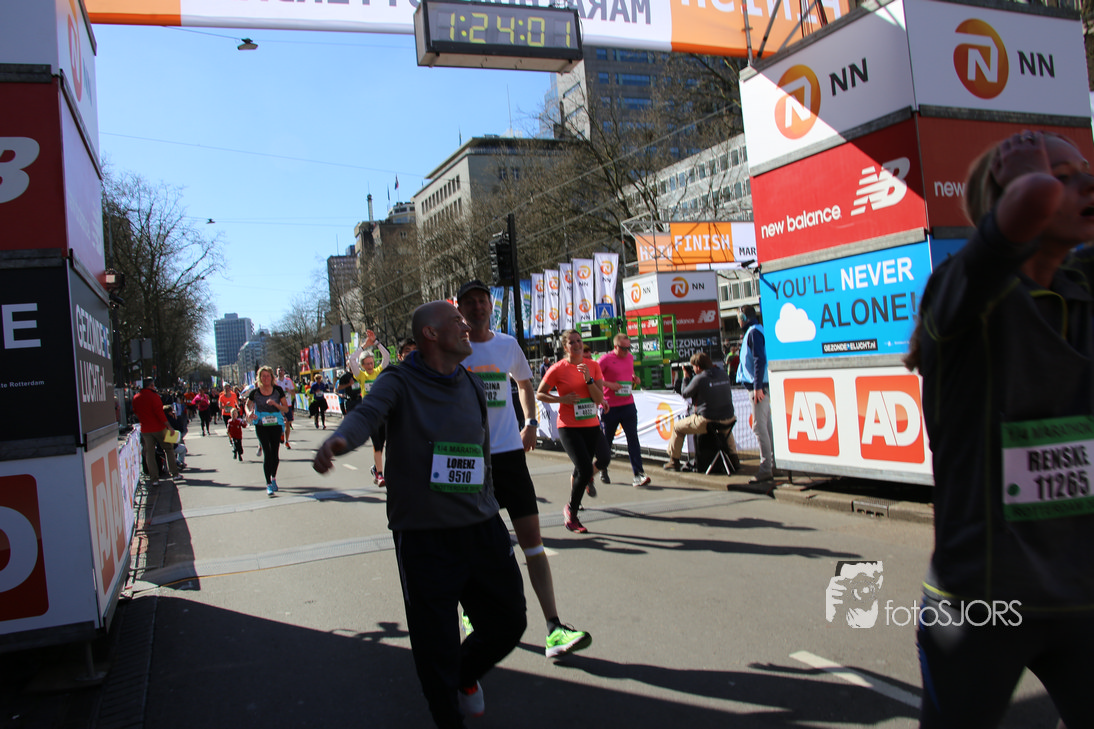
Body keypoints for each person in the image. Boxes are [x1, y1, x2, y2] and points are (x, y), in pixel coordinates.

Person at [904, 130, 1094, 729]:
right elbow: (1026, 210)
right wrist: (1031, 184)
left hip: (1081, 592)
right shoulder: (960, 292)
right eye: (1064, 175)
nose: (1086, 183)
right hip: (981, 602)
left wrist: (1050, 177)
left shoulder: (1082, 287)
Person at [313, 301, 526, 729]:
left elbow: (481, 452)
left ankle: (464, 674)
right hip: (425, 536)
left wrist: (490, 504)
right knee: (436, 647)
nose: (467, 326)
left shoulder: (470, 382)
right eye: (456, 322)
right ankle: (447, 714)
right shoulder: (399, 379)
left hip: (480, 526)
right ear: (430, 333)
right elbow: (367, 414)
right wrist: (339, 441)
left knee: (508, 622)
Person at [457, 280, 591, 658]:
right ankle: (471, 611)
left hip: (509, 455)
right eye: (470, 302)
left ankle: (554, 628)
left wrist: (530, 422)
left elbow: (524, 383)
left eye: (483, 301)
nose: (478, 307)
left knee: (533, 544)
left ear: (490, 307)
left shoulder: (507, 345)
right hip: (470, 459)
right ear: (460, 309)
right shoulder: (452, 348)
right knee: (471, 545)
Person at [537, 329, 607, 534]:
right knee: (584, 469)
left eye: (579, 341)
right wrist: (561, 399)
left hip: (591, 424)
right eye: (572, 342)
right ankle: (572, 512)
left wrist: (588, 379)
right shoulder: (558, 369)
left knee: (604, 459)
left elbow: (598, 398)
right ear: (565, 347)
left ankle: (584, 479)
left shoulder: (593, 366)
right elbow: (540, 393)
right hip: (569, 426)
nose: (577, 345)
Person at [663, 352, 740, 473]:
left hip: (707, 421)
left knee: (678, 427)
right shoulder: (723, 374)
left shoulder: (699, 378)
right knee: (725, 430)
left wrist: (686, 377)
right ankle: (734, 458)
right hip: (730, 419)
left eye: (693, 366)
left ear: (698, 367)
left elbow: (685, 393)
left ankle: (674, 461)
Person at [598, 332, 650, 487]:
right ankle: (602, 468)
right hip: (609, 406)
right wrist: (609, 385)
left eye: (629, 348)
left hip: (628, 405)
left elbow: (629, 372)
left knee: (633, 439)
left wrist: (634, 378)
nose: (627, 351)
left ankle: (638, 474)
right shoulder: (605, 360)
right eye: (623, 348)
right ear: (615, 347)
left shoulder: (630, 357)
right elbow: (592, 379)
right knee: (607, 441)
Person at [737, 304, 774, 484]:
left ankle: (766, 468)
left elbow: (759, 359)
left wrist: (757, 386)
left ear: (743, 318)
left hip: (758, 387)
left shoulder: (753, 333)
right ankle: (772, 463)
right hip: (761, 385)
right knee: (766, 426)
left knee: (760, 427)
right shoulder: (758, 331)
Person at [351, 331, 392, 486]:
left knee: (384, 443)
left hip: (383, 413)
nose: (369, 366)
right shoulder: (361, 375)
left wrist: (376, 343)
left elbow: (386, 356)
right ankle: (380, 475)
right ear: (362, 365)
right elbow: (351, 359)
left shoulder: (379, 371)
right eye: (366, 364)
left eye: (371, 363)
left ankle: (376, 468)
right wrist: (364, 346)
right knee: (377, 445)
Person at [246, 365, 290, 496]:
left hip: (275, 424)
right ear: (259, 378)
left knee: (275, 454)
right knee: (267, 452)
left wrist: (275, 404)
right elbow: (247, 405)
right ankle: (268, 484)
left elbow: (286, 408)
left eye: (268, 376)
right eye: (263, 376)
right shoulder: (255, 392)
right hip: (261, 425)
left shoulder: (278, 390)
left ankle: (273, 477)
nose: (265, 378)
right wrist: (249, 413)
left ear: (272, 377)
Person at [132, 378, 179, 485]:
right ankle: (174, 473)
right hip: (158, 428)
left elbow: (135, 411)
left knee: (149, 454)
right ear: (151, 386)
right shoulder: (154, 396)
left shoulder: (136, 397)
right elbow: (160, 413)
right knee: (168, 448)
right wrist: (169, 426)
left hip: (145, 429)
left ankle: (154, 479)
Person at [275, 367, 296, 449]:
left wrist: (289, 391)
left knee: (287, 423)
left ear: (284, 372)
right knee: (279, 423)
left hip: (288, 405)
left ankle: (287, 441)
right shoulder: (275, 382)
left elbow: (294, 393)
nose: (280, 372)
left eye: (282, 370)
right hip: (278, 405)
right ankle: (281, 433)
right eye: (279, 371)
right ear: (276, 372)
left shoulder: (288, 381)